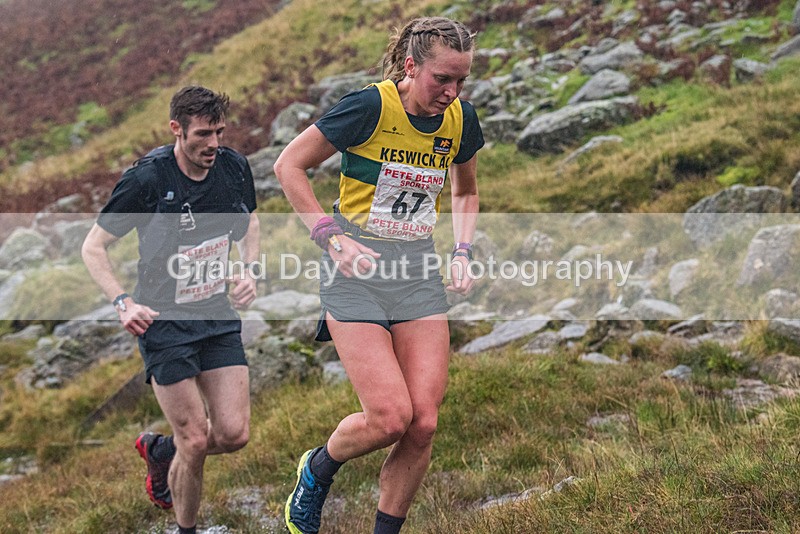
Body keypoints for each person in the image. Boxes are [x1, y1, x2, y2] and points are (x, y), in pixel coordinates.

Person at [274, 16, 483, 534]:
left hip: (416, 272)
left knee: (424, 423)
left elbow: (465, 190)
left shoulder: (461, 119)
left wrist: (462, 250)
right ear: (411, 66)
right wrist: (330, 236)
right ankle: (318, 467)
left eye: (461, 81)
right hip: (356, 272)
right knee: (390, 417)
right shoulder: (370, 107)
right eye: (442, 79)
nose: (451, 92)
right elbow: (288, 165)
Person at [81, 86, 260, 534]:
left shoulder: (233, 167)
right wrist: (123, 302)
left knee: (234, 434)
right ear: (176, 129)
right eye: (203, 134)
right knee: (196, 439)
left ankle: (160, 452)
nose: (213, 144)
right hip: (164, 323)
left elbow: (250, 221)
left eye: (219, 132)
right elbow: (94, 247)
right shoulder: (147, 179)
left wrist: (249, 271)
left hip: (216, 315)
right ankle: (186, 529)